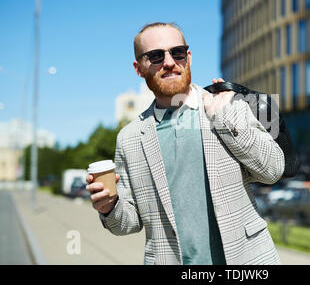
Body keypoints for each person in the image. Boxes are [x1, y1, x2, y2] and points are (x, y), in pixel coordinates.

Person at [86, 22, 285, 265]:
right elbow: (127, 224)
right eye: (156, 56)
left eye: (177, 52)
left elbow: (273, 170)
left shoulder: (227, 105)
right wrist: (110, 206)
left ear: (188, 57)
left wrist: (223, 119)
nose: (169, 62)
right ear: (139, 68)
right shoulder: (129, 138)